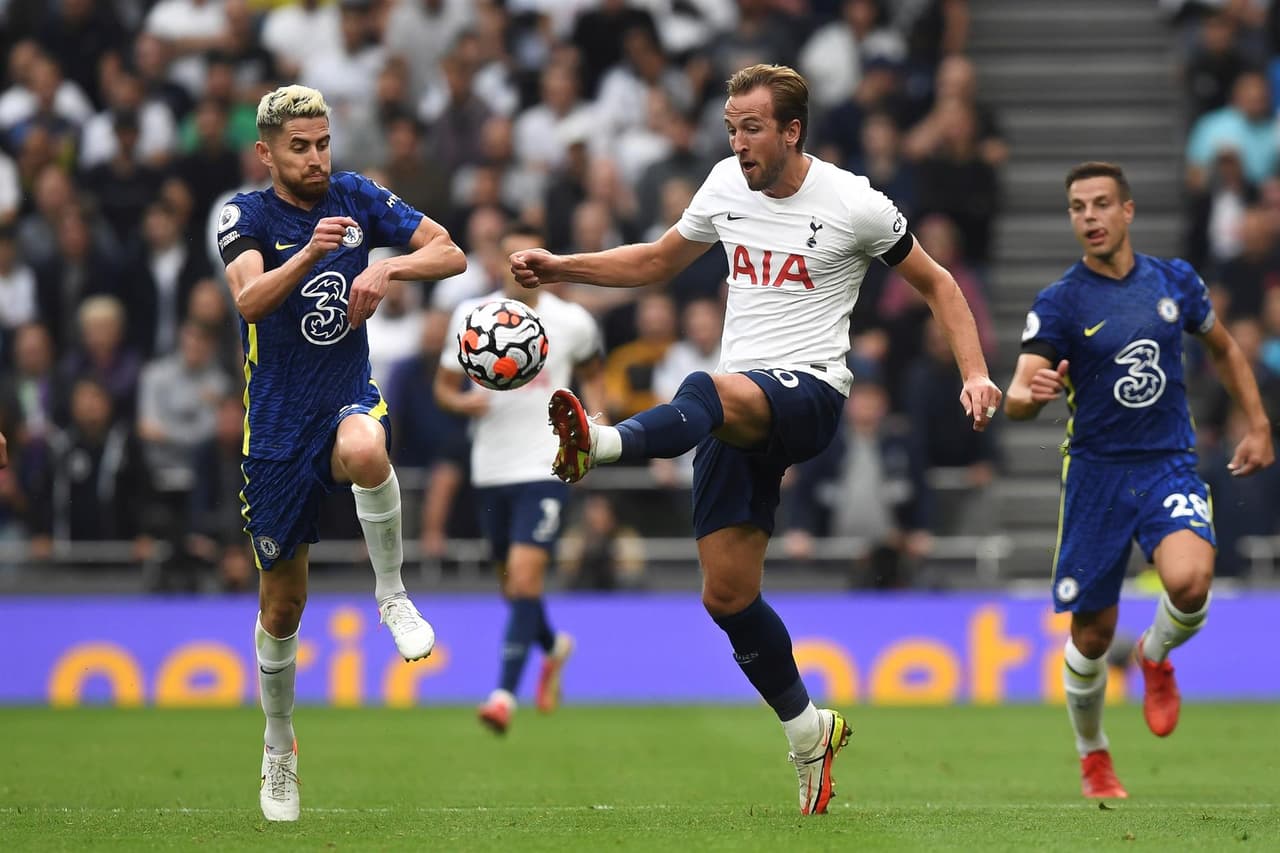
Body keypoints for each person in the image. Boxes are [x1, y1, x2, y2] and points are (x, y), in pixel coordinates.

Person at [510, 64, 1000, 815]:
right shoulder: (723, 185)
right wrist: (559, 267)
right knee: (727, 594)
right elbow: (654, 261)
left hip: (809, 393)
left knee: (707, 386)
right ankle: (810, 733)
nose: (739, 143)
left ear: (792, 129)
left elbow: (938, 284)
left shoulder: (854, 203)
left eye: (753, 129)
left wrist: (973, 372)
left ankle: (599, 448)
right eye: (731, 129)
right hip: (735, 412)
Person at [216, 84, 466, 822]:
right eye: (301, 147)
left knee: (367, 445)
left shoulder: (356, 196)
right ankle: (280, 744)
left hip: (342, 399)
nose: (318, 157)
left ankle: (391, 595)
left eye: (323, 142)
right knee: (283, 605)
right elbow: (248, 301)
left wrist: (391, 268)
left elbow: (447, 250)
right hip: (274, 430)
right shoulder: (247, 214)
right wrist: (310, 255)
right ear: (267, 153)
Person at [1004, 161, 1275, 800]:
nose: (1089, 217)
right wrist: (1031, 395)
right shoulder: (1061, 301)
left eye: (1101, 204)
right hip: (1096, 475)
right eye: (1077, 207)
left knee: (1189, 579)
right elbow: (1018, 391)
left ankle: (1154, 656)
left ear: (1127, 211)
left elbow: (1226, 350)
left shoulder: (1174, 280)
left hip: (1166, 462)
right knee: (1091, 636)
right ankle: (1093, 754)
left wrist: (1259, 425)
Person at [435, 223, 606, 735]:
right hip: (490, 467)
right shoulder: (472, 318)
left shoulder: (572, 322)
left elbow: (595, 372)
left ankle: (503, 695)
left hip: (546, 466)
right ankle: (554, 647)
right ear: (497, 261)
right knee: (514, 588)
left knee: (527, 578)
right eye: (512, 258)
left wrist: (597, 423)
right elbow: (443, 386)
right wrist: (462, 401)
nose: (522, 268)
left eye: (532, 258)